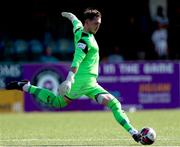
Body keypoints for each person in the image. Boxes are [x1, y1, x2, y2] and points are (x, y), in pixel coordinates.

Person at [6, 8, 142, 144]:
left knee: (114, 104)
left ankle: (134, 133)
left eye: (99, 23)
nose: (98, 26)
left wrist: (71, 16)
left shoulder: (79, 31)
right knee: (58, 102)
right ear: (87, 23)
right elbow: (76, 60)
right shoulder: (84, 41)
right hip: (80, 83)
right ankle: (26, 87)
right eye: (96, 23)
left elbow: (75, 22)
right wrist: (69, 79)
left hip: (91, 84)